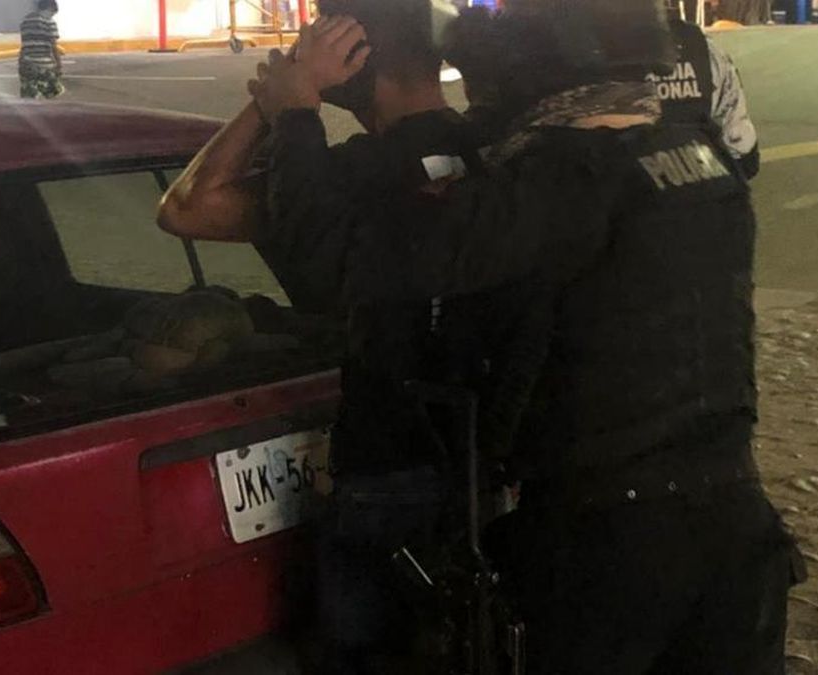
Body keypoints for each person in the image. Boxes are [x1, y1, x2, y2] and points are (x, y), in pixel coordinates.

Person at [311, 0, 800, 671]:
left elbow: (348, 257)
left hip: (606, 546)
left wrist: (291, 112)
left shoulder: (563, 178)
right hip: (733, 524)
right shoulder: (702, 156)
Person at [158, 1, 542, 672]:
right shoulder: (496, 150)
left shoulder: (350, 178)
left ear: (355, 60)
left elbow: (188, 207)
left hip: (386, 475)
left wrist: (281, 101)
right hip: (489, 469)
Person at [648, 9, 761, 177]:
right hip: (704, 174)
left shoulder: (609, 58)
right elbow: (744, 152)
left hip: (636, 181)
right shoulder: (708, 50)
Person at [19, 0, 64, 99]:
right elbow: (53, 46)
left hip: (27, 64)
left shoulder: (25, 21)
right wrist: (59, 65)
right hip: (44, 65)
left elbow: (24, 43)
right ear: (49, 8)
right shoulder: (49, 22)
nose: (52, 16)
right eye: (53, 13)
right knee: (53, 93)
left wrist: (21, 61)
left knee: (29, 96)